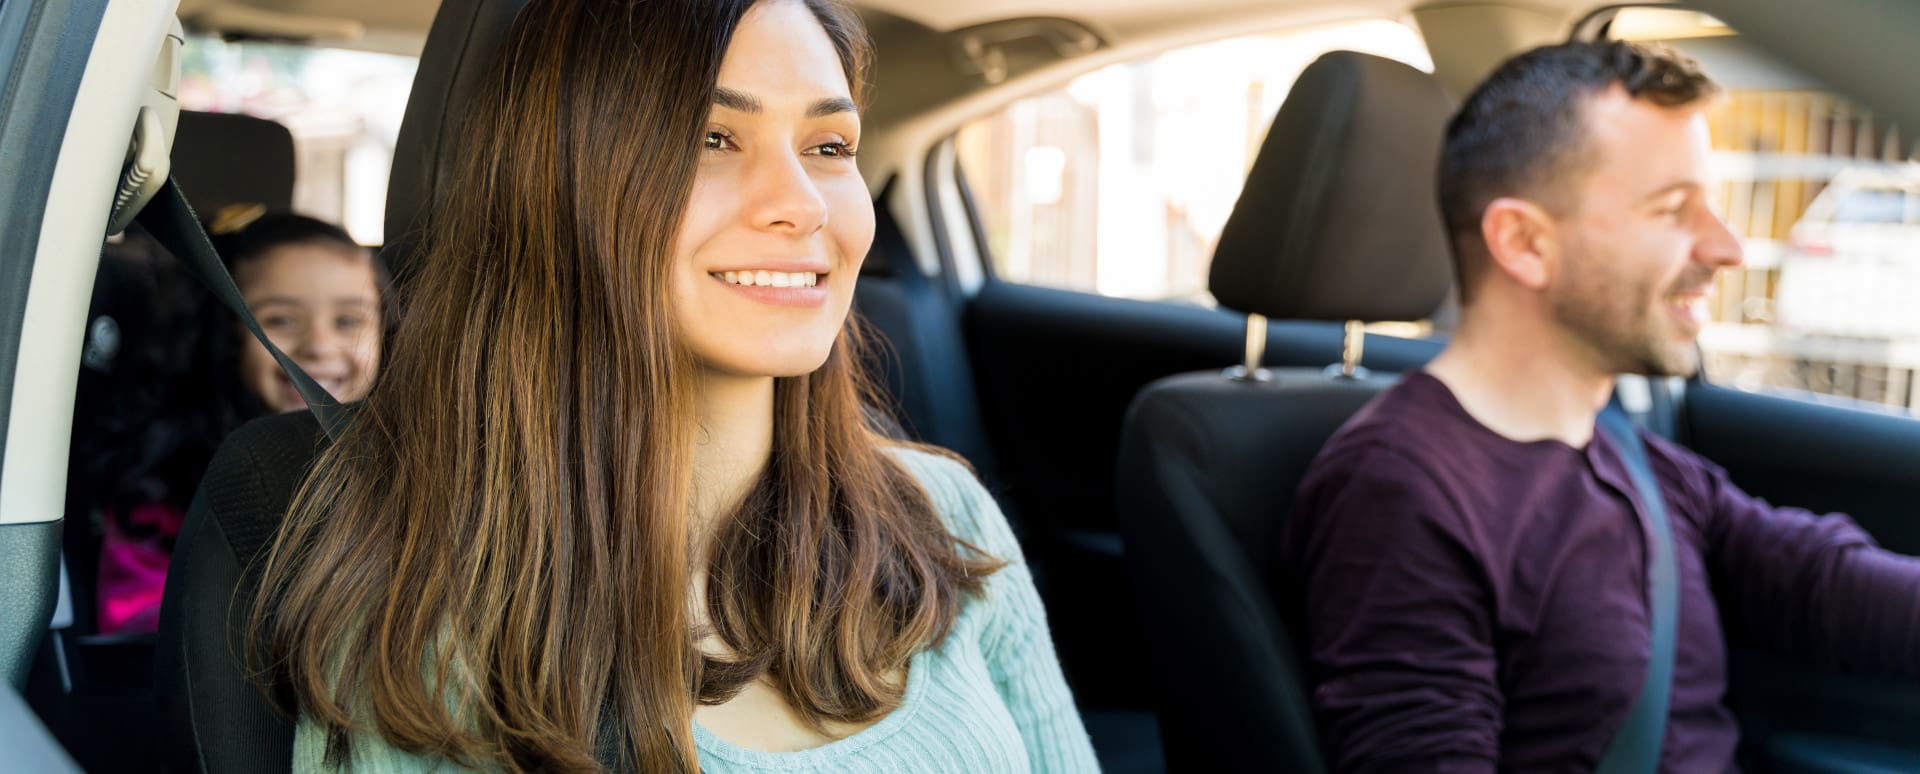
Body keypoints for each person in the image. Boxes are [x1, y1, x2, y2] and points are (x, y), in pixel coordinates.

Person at [243, 1, 1097, 771]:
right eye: (712, 139)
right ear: (562, 187)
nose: (801, 204)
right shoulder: (420, 618)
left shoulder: (942, 515)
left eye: (829, 147)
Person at [1285, 40, 1920, 771]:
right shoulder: (1400, 493)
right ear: (1524, 243)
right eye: (1674, 209)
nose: (1728, 247)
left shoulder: (1628, 454)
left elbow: (1815, 581)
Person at [85, 210, 387, 635]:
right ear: (227, 333)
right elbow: (140, 624)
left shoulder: (402, 468)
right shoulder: (168, 482)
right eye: (280, 320)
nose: (320, 346)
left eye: (348, 321)